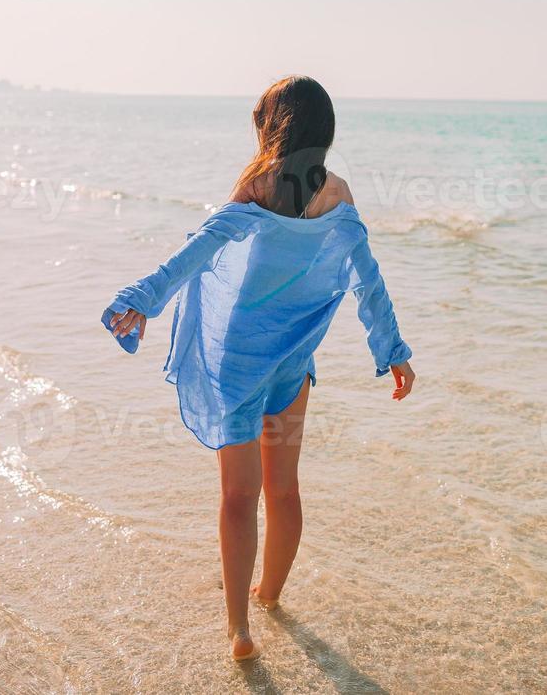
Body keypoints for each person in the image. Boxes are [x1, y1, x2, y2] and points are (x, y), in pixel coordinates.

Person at [102, 75, 415, 662]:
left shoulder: (258, 184)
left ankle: (241, 630)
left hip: (239, 362)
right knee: (285, 491)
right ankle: (270, 596)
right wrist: (393, 350)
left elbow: (201, 247)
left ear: (275, 127)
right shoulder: (340, 194)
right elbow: (367, 278)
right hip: (292, 364)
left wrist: (143, 298)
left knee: (237, 498)